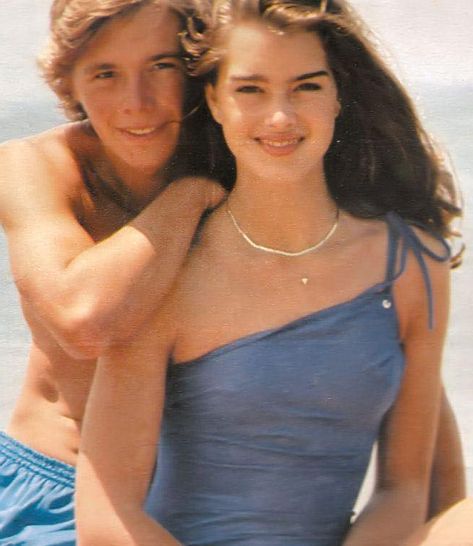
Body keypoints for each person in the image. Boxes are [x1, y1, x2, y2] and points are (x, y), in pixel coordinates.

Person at [76, 0, 466, 544]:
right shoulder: (167, 273)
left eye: (306, 86)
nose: (280, 118)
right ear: (213, 100)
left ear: (337, 96)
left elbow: (402, 489)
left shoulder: (411, 261)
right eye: (250, 90)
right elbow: (104, 516)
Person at [0, 0, 225, 543]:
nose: (137, 103)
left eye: (162, 66)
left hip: (209, 505)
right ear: (70, 81)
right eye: (105, 73)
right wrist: (189, 196)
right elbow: (83, 322)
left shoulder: (242, 161)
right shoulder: (34, 167)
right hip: (60, 494)